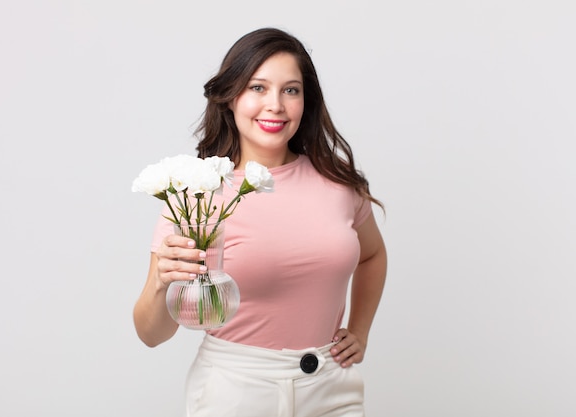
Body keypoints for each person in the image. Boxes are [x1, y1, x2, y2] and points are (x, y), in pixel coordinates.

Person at [133, 27, 387, 417]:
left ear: (306, 101)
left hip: (332, 387)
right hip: (236, 391)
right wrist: (161, 282)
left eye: (291, 90)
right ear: (230, 98)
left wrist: (360, 331)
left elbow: (372, 255)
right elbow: (151, 334)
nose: (276, 105)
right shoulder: (195, 195)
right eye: (257, 88)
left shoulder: (338, 184)